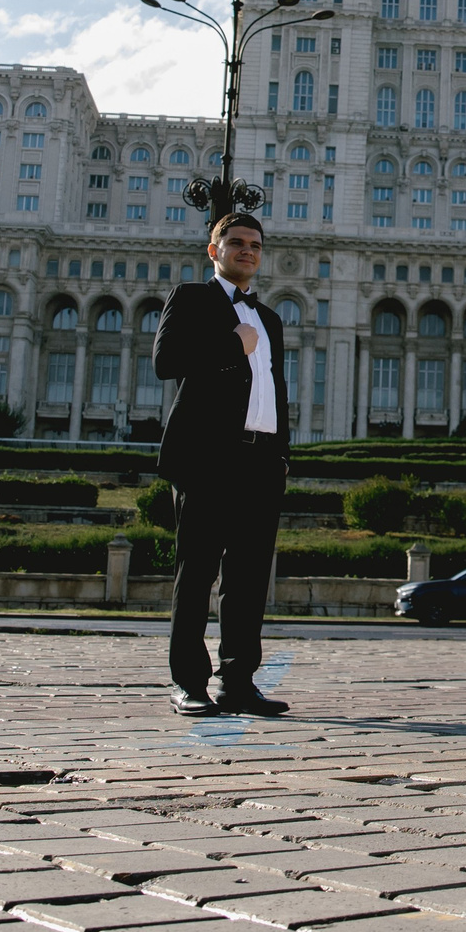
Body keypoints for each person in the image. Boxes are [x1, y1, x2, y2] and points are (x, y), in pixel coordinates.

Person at [152, 210, 292, 717]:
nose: (247, 251)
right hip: (207, 457)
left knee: (249, 579)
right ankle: (188, 682)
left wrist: (282, 456)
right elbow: (166, 362)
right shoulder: (191, 298)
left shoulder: (269, 318)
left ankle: (238, 681)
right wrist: (232, 343)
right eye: (236, 242)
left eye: (255, 244)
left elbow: (275, 389)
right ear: (215, 251)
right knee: (197, 574)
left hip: (261, 460)